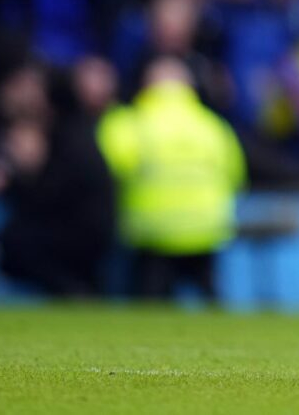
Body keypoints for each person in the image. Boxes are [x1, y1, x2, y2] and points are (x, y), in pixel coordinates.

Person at [96, 57, 247, 301]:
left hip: (152, 229)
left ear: (146, 85)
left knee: (151, 304)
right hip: (205, 228)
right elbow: (235, 175)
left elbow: (108, 169)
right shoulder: (213, 126)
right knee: (210, 300)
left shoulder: (130, 123)